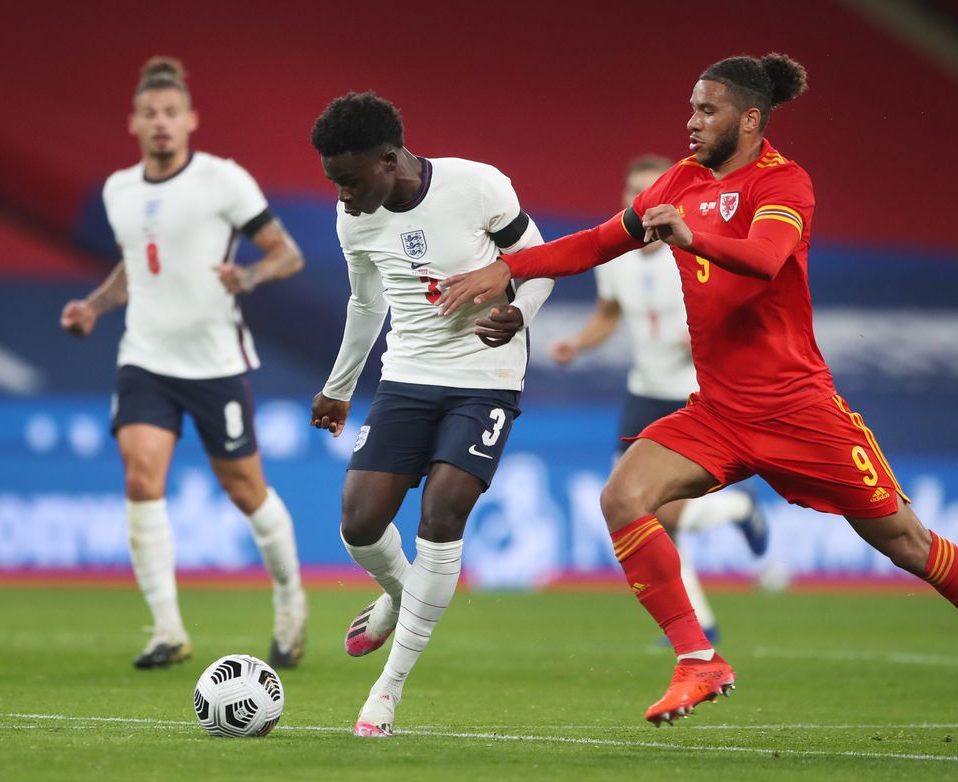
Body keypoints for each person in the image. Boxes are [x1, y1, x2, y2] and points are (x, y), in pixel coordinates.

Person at [438, 53, 958, 740]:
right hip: (718, 410)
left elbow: (768, 259)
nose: (691, 123)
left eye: (706, 110)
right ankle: (698, 658)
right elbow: (596, 244)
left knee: (908, 543)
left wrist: (695, 236)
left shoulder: (786, 182)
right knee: (622, 497)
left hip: (799, 409)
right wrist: (505, 267)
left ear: (748, 118)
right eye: (689, 108)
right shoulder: (678, 184)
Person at [308, 91, 553, 737]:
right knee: (359, 523)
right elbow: (366, 306)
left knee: (442, 511)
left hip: (486, 377)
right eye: (334, 182)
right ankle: (400, 594)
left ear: (390, 160)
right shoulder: (352, 221)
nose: (342, 195)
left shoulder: (478, 185)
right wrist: (339, 388)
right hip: (408, 378)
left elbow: (542, 266)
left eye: (351, 181)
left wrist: (518, 315)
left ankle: (385, 694)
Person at [60, 57, 308, 671]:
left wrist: (247, 274)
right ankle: (168, 630)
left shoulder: (223, 181)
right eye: (150, 114)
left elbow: (287, 253)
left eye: (171, 113)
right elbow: (135, 266)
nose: (161, 123)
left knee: (245, 490)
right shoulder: (119, 191)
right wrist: (93, 307)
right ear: (134, 124)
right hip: (144, 358)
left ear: (190, 119)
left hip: (214, 361)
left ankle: (289, 600)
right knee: (142, 479)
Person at [550, 154, 769, 645]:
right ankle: (704, 619)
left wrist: (701, 337)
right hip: (642, 391)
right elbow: (608, 314)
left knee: (657, 510)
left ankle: (736, 511)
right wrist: (577, 344)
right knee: (640, 511)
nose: (641, 201)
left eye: (652, 191)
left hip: (692, 393)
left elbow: (744, 310)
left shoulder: (693, 251)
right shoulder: (617, 259)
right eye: (634, 192)